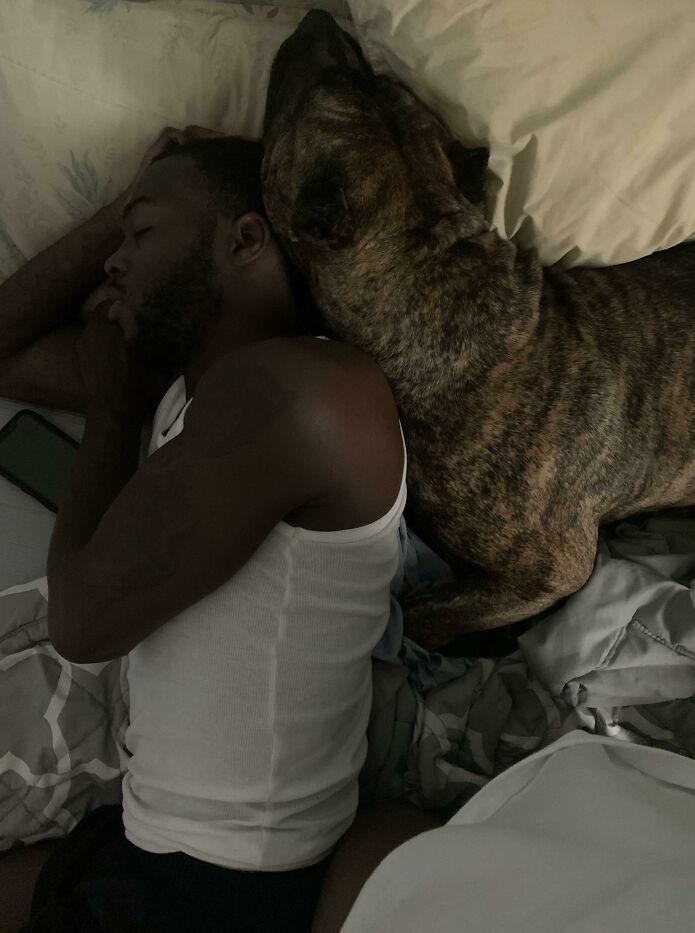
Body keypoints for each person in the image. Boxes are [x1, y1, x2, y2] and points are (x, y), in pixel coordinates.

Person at [0, 126, 443, 932]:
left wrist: (112, 410)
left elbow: (81, 623)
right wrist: (124, 209)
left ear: (246, 238)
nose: (112, 260)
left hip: (219, 895)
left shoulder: (303, 394)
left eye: (142, 233)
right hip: (149, 847)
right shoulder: (191, 395)